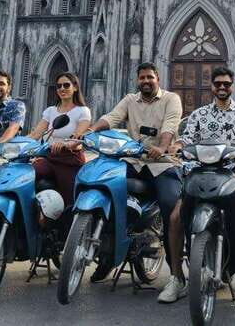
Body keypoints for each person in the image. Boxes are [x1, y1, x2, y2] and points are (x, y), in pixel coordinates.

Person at [74, 62, 185, 304]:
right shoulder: (130, 100)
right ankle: (107, 256)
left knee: (171, 211)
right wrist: (91, 131)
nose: (146, 81)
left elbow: (170, 125)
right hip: (134, 161)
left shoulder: (171, 99)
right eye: (142, 78)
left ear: (158, 79)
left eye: (150, 77)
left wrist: (162, 146)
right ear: (138, 80)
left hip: (162, 164)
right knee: (104, 184)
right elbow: (112, 118)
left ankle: (177, 276)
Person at [174, 66, 235, 263]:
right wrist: (177, 146)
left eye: (226, 84)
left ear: (232, 86)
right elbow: (186, 139)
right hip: (202, 168)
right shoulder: (198, 114)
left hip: (233, 166)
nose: (222, 87)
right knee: (179, 213)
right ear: (212, 86)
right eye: (218, 84)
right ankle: (179, 264)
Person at [28, 71, 90, 211]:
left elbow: (78, 136)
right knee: (26, 176)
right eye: (59, 86)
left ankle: (68, 223)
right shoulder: (51, 111)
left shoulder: (83, 111)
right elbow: (36, 133)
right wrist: (15, 144)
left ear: (75, 87)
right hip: (50, 157)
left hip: (70, 159)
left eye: (66, 85)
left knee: (69, 202)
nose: (62, 88)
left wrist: (66, 144)